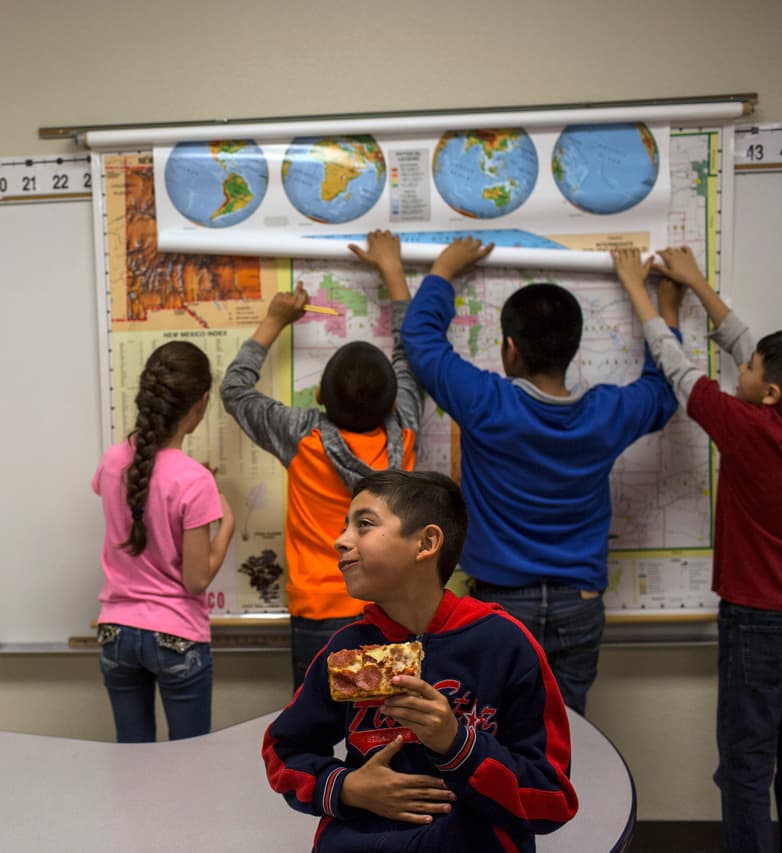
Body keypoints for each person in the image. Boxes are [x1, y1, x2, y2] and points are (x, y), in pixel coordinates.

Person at [399, 237, 680, 714]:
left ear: (510, 349)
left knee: (490, 740)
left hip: (502, 605)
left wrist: (445, 267)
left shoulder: (488, 403)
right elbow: (664, 387)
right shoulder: (607, 414)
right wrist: (665, 307)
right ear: (573, 348)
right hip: (580, 602)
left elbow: (422, 342)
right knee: (566, 742)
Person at [263, 470, 577, 852]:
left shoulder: (504, 643)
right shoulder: (346, 650)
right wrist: (347, 788)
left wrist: (457, 743)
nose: (339, 540)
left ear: (426, 542)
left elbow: (551, 800)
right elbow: (285, 749)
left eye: (363, 524)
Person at [613, 245, 782, 853]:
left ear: (770, 393)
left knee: (745, 769)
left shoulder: (747, 429)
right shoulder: (779, 417)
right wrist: (694, 282)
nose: (737, 370)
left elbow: (675, 365)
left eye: (749, 371)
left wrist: (637, 289)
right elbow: (757, 353)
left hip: (760, 621)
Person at [221, 230, 423, 690]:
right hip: (391, 611)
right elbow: (409, 355)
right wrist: (392, 271)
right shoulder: (405, 430)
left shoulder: (304, 436)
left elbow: (235, 390)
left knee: (318, 742)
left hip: (319, 617)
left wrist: (274, 320)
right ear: (394, 403)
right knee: (386, 733)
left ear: (318, 398)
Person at [93, 339, 234, 742]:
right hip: (176, 635)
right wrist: (226, 524)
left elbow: (138, 500)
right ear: (201, 403)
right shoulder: (194, 480)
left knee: (133, 761)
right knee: (187, 768)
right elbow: (196, 580)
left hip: (116, 631)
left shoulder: (112, 460)